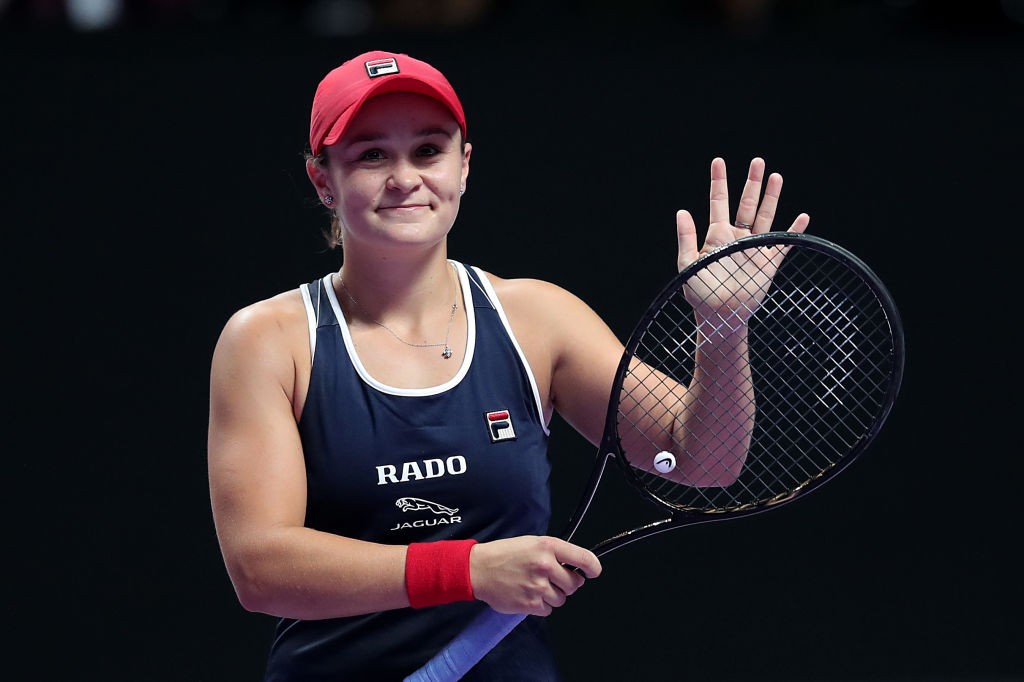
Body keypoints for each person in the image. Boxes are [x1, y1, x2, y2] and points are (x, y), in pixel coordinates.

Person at [207, 49, 809, 681]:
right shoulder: (269, 341)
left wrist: (722, 326)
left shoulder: (538, 320)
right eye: (372, 155)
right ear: (322, 180)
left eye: (429, 150)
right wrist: (469, 570)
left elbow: (703, 462)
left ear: (464, 165)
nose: (405, 177)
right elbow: (260, 568)